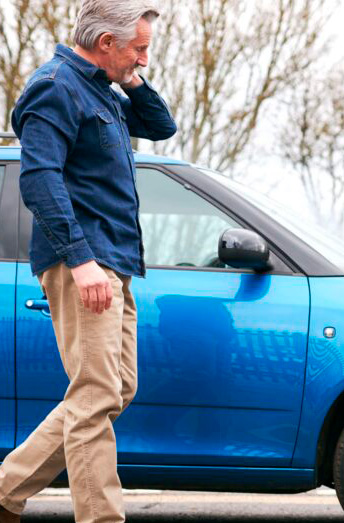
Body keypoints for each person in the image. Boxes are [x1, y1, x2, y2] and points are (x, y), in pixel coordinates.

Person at [0, 1, 176, 521]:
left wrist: (133, 79)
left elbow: (161, 127)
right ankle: (101, 516)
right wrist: (80, 262)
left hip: (114, 259)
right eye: (138, 49)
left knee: (116, 388)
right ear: (106, 44)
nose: (144, 59)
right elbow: (39, 179)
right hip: (84, 260)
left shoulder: (102, 90)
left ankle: (5, 489)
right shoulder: (55, 86)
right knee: (97, 393)